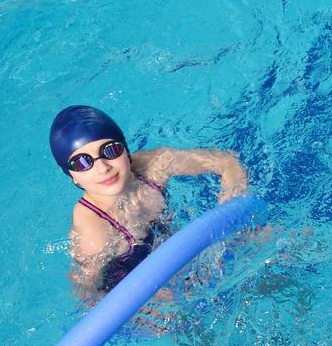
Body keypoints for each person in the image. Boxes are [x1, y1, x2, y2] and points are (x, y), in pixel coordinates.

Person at [50, 105, 251, 299]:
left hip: (177, 254)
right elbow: (93, 294)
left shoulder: (152, 166)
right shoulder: (94, 232)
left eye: (110, 150)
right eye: (82, 162)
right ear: (72, 176)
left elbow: (225, 161)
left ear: (125, 150)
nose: (103, 168)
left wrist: (232, 193)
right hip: (140, 290)